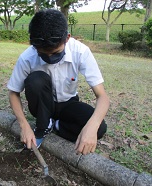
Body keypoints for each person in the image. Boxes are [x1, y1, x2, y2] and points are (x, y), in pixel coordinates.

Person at [7, 9, 110, 155]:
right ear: (34, 45)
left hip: (68, 103)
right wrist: (24, 125)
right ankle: (43, 124)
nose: (49, 58)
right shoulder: (27, 57)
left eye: (55, 53)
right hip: (42, 105)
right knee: (35, 80)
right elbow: (13, 93)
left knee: (100, 128)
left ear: (67, 38)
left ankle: (56, 125)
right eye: (43, 54)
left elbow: (103, 97)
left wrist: (92, 127)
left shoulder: (80, 52)